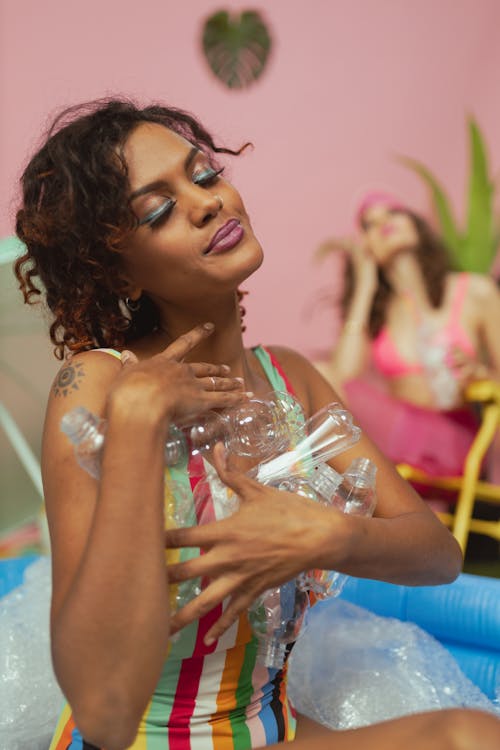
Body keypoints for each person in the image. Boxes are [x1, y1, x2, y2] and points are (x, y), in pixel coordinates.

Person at [14, 100, 499, 750]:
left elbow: (438, 555)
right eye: (157, 209)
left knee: (473, 735)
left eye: (205, 175)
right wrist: (136, 423)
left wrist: (327, 535)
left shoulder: (292, 378)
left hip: (276, 732)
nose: (207, 203)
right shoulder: (97, 387)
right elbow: (104, 716)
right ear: (117, 270)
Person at [315, 192, 500, 484]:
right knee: (321, 376)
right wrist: (365, 282)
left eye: (393, 212)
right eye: (369, 224)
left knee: (319, 380)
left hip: (458, 444)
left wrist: (481, 376)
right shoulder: (381, 316)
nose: (384, 222)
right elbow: (341, 377)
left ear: (415, 224)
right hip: (398, 449)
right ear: (367, 248)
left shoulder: (474, 291)